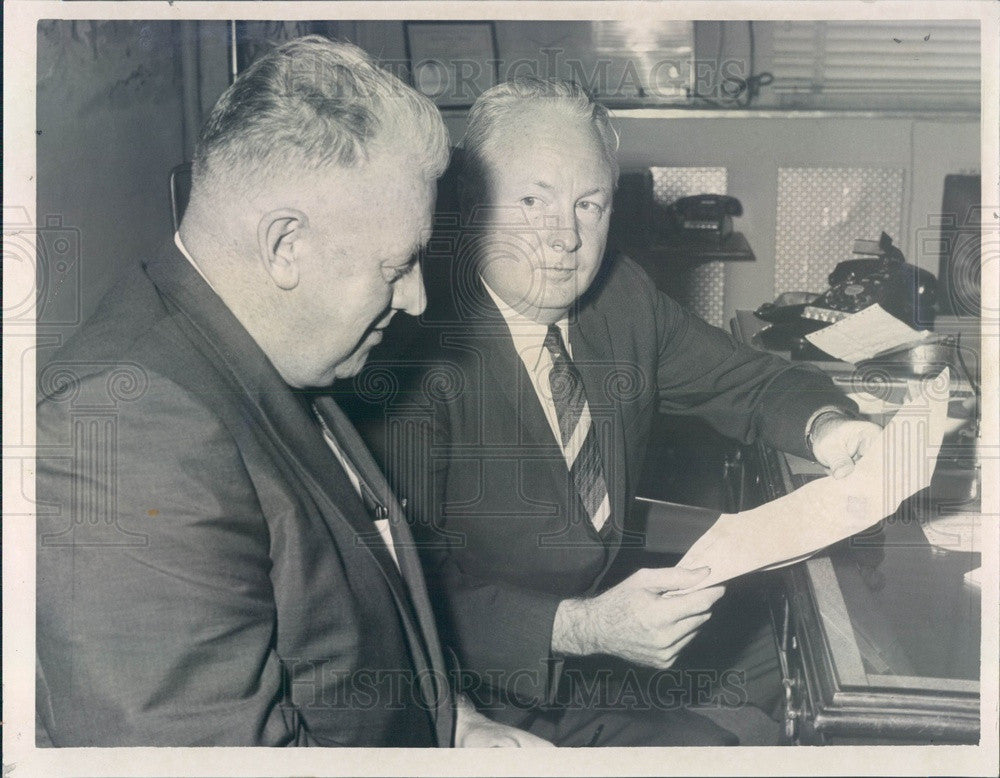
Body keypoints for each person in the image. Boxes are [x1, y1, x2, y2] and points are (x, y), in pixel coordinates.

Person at [35, 37, 551, 748]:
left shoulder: (270, 342)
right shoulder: (130, 429)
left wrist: (456, 726)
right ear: (284, 246)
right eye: (398, 265)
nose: (419, 299)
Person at [347, 77, 882, 746]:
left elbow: (749, 381)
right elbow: (399, 594)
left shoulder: (619, 295)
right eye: (533, 200)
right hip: (486, 692)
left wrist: (831, 429)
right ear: (471, 203)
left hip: (605, 637)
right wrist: (586, 626)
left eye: (589, 205)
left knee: (822, 655)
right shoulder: (410, 355)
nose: (565, 237)